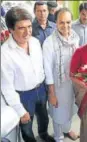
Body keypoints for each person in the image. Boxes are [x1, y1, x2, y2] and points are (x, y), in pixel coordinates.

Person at [1, 6, 55, 142]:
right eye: (21, 28)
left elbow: (42, 66)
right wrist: (20, 110)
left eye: (29, 26)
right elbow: (6, 87)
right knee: (26, 125)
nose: (27, 32)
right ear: (11, 30)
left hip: (41, 89)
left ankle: (43, 134)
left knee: (43, 117)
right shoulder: (5, 53)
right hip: (23, 96)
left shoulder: (35, 42)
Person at [43, 8, 80, 142]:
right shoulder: (49, 43)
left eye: (68, 22)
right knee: (58, 112)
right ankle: (58, 136)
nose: (65, 26)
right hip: (57, 86)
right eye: (61, 22)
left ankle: (67, 129)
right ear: (56, 23)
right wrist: (52, 94)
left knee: (69, 109)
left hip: (72, 84)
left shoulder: (75, 38)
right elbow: (47, 70)